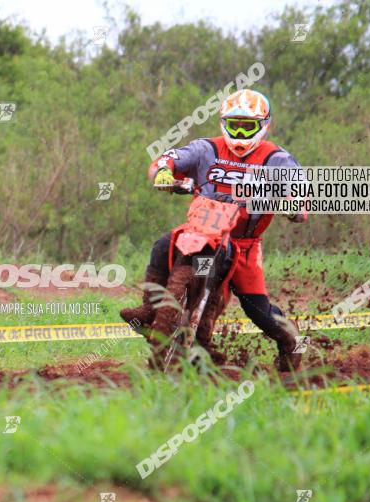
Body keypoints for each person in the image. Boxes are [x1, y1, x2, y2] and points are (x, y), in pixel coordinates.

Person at [121, 89, 308, 371]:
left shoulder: (277, 159)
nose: (241, 133)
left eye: (248, 127)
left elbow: (299, 190)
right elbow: (165, 159)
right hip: (201, 229)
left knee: (258, 311)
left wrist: (294, 205)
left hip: (244, 244)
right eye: (235, 125)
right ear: (224, 123)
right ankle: (150, 308)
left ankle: (291, 339)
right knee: (162, 245)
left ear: (264, 126)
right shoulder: (205, 149)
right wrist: (162, 173)